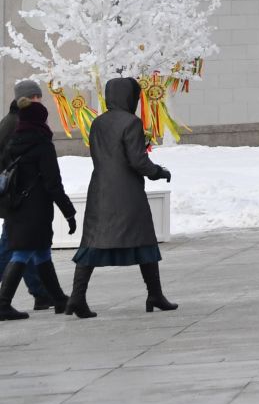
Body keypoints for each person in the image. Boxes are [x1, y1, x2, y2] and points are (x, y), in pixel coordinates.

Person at [68, 77, 174, 319]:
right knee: (144, 240)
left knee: (93, 242)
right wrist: (158, 172)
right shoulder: (131, 122)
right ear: (130, 97)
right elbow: (137, 161)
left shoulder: (97, 122)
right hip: (126, 192)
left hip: (100, 189)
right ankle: (155, 294)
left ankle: (77, 297)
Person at [0, 96, 75, 318]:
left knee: (42, 253)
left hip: (15, 207)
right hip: (36, 209)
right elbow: (53, 184)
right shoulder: (42, 144)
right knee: (22, 254)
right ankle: (3, 304)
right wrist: (69, 212)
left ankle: (59, 299)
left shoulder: (13, 143)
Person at [0, 81, 55, 308]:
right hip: (18, 195)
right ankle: (39, 294)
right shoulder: (16, 122)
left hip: (20, 195)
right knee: (11, 247)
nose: (39, 100)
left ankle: (41, 293)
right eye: (35, 97)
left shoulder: (15, 120)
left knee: (25, 245)